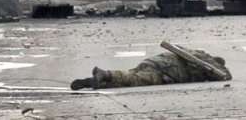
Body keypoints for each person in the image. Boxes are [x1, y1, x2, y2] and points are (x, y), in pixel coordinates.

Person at [70, 48, 230, 90]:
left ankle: (96, 82)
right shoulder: (206, 60)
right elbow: (226, 76)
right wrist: (219, 68)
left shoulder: (192, 52)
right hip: (166, 71)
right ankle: (105, 74)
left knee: (131, 78)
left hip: (155, 63)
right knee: (135, 80)